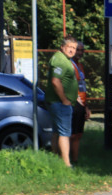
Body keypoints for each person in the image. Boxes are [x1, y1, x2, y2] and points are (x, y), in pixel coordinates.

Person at [45, 36, 79, 167]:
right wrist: (65, 100)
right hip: (60, 103)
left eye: (74, 48)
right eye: (70, 47)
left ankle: (56, 159)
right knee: (65, 133)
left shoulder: (63, 59)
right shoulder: (60, 60)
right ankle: (66, 164)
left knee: (56, 132)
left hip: (57, 102)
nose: (72, 50)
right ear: (62, 46)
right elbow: (55, 81)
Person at [69, 41, 92, 165]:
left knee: (78, 134)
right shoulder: (70, 65)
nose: (80, 53)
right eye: (78, 50)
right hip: (74, 102)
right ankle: (66, 161)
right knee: (71, 134)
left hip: (82, 103)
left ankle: (76, 161)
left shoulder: (80, 66)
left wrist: (86, 106)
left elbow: (83, 85)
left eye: (82, 50)